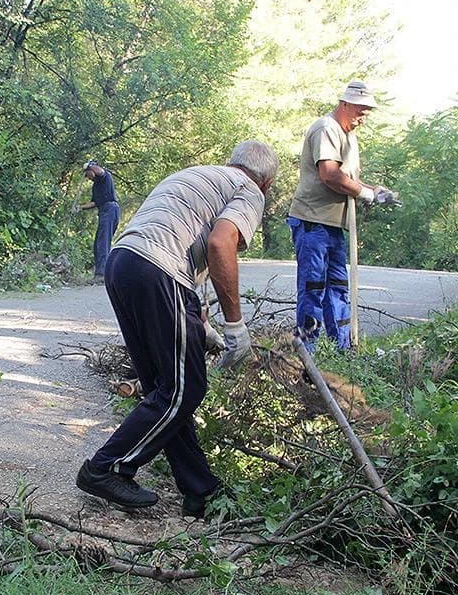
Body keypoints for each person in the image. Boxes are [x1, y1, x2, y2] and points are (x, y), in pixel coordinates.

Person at [76, 140, 279, 517]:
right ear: (265, 183)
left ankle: (200, 490)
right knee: (186, 388)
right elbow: (221, 245)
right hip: (158, 270)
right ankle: (106, 468)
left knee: (165, 387)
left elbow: (186, 250)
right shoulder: (249, 190)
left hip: (124, 264)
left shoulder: (200, 177)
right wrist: (236, 328)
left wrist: (204, 327)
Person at [285, 80, 392, 351]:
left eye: (367, 112)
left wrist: (373, 190)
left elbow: (348, 179)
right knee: (314, 287)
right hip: (313, 221)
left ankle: (343, 351)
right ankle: (307, 354)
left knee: (338, 288)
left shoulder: (349, 136)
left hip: (334, 225)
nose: (362, 117)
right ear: (344, 104)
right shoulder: (327, 129)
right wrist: (365, 194)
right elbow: (330, 175)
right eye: (359, 110)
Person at [78, 161, 120, 281]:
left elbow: (100, 171)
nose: (87, 177)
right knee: (98, 243)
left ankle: (102, 274)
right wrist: (79, 208)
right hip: (104, 211)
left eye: (87, 174)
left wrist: (88, 166)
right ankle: (100, 272)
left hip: (110, 210)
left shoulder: (104, 177)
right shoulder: (96, 186)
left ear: (92, 170)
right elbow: (94, 202)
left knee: (103, 242)